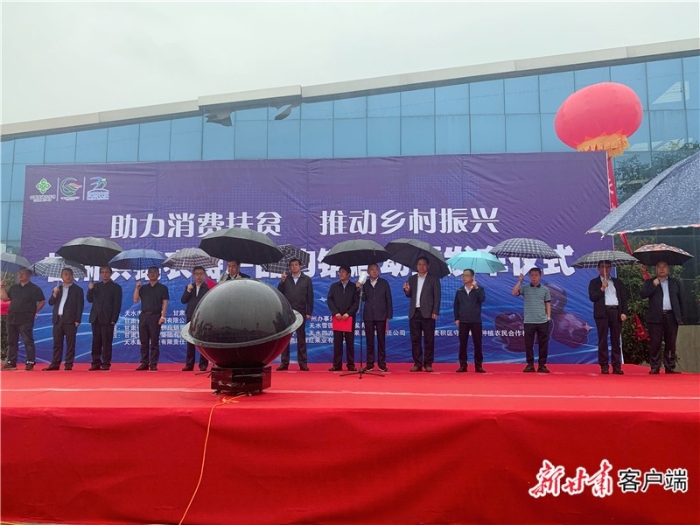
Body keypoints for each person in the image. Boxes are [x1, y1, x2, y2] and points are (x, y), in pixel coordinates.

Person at [640, 261, 684, 375]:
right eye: (659, 267)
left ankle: (670, 366)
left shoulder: (675, 283)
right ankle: (655, 366)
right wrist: (653, 285)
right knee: (655, 343)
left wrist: (680, 317)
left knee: (671, 343)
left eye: (664, 267)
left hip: (671, 316)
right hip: (655, 317)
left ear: (668, 269)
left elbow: (681, 300)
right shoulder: (650, 282)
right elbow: (643, 294)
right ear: (656, 269)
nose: (662, 269)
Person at [1, 268, 46, 371]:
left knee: (27, 341)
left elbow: (42, 301)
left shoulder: (34, 289)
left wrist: (34, 311)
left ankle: (30, 362)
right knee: (12, 341)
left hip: (26, 318)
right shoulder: (14, 288)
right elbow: (5, 298)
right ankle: (11, 362)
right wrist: (2, 288)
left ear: (29, 275)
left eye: (23, 273)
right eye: (19, 273)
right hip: (12, 317)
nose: (20, 275)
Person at [588, 261, 627, 375]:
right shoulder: (594, 282)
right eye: (603, 267)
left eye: (608, 267)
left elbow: (624, 298)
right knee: (602, 340)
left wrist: (624, 312)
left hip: (616, 311)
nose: (606, 269)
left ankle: (617, 366)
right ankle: (604, 365)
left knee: (616, 339)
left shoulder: (618, 282)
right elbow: (592, 297)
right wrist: (602, 288)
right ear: (598, 268)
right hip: (602, 313)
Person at [403, 257, 441, 372]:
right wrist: (407, 290)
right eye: (419, 264)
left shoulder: (433, 279)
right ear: (416, 266)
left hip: (428, 313)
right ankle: (417, 363)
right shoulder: (412, 279)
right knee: (415, 339)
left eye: (424, 264)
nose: (421, 266)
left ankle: (428, 363)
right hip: (414, 312)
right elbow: (409, 295)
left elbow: (437, 296)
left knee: (429, 340)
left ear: (428, 266)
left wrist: (435, 311)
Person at [512, 267, 551, 373]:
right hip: (529, 321)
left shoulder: (545, 289)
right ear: (529, 276)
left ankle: (542, 365)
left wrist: (548, 317)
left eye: (536, 275)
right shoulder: (525, 288)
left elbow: (548, 303)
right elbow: (514, 292)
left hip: (542, 321)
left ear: (540, 276)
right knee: (528, 344)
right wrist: (520, 281)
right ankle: (530, 365)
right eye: (532, 275)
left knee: (543, 344)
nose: (534, 277)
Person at [276, 258, 313, 371]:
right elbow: (279, 292)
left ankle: (303, 363)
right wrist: (282, 281)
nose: (294, 267)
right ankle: (284, 363)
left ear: (300, 266)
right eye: (291, 265)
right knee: (285, 339)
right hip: (288, 312)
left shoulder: (306, 279)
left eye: (296, 265)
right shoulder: (286, 279)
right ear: (289, 267)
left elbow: (310, 297)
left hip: (301, 312)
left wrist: (308, 312)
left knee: (301, 338)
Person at [45, 268, 85, 371]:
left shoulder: (78, 290)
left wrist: (78, 319)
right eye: (66, 274)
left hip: (71, 320)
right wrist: (54, 294)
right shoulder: (57, 289)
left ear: (73, 276)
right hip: (58, 320)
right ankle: (55, 363)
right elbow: (50, 303)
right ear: (61, 277)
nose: (68, 276)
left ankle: (68, 364)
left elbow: (80, 306)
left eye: (70, 274)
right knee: (57, 343)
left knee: (70, 343)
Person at [86, 266, 123, 371]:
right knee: (96, 341)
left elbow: (117, 304)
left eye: (106, 272)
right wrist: (90, 289)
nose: (104, 274)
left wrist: (114, 319)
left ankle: (106, 363)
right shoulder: (96, 286)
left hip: (108, 319)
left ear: (111, 274)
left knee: (106, 342)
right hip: (95, 318)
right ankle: (95, 362)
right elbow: (89, 300)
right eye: (102, 272)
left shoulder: (116, 287)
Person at [133, 266, 169, 371]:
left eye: (155, 272)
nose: (152, 274)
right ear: (147, 275)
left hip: (155, 316)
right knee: (144, 341)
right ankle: (144, 362)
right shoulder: (143, 288)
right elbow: (135, 299)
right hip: (144, 316)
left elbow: (165, 302)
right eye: (150, 272)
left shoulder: (162, 288)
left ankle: (153, 363)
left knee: (154, 341)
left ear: (158, 274)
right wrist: (137, 288)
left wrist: (163, 316)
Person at [360, 263, 393, 372]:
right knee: (369, 341)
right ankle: (370, 364)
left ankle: (382, 364)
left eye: (376, 269)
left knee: (381, 341)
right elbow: (363, 298)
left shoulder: (384, 283)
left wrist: (389, 315)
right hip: (368, 315)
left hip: (381, 315)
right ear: (368, 272)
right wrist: (359, 288)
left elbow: (388, 299)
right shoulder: (365, 284)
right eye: (372, 269)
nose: (374, 271)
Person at [453, 269, 486, 373]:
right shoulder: (460, 290)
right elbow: (456, 305)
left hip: (475, 320)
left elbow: (482, 299)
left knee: (477, 343)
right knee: (463, 344)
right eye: (463, 275)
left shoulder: (479, 289)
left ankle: (478, 365)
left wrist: (476, 288)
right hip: (463, 320)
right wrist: (457, 318)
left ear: (472, 277)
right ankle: (463, 365)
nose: (464, 277)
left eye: (467, 275)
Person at [327, 265, 359, 371]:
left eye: (343, 272)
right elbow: (330, 300)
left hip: (348, 318)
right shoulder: (334, 286)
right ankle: (337, 365)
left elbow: (356, 302)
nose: (340, 274)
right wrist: (335, 312)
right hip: (337, 317)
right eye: (339, 272)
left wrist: (348, 313)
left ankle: (351, 365)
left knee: (350, 341)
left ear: (349, 274)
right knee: (337, 341)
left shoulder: (354, 287)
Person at [181, 265, 210, 371]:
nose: (199, 276)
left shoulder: (208, 288)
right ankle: (189, 364)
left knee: (203, 341)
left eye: (201, 274)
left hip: (203, 317)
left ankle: (203, 364)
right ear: (193, 275)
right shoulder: (190, 287)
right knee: (190, 341)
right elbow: (183, 300)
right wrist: (188, 291)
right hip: (191, 316)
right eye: (197, 274)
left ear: (204, 275)